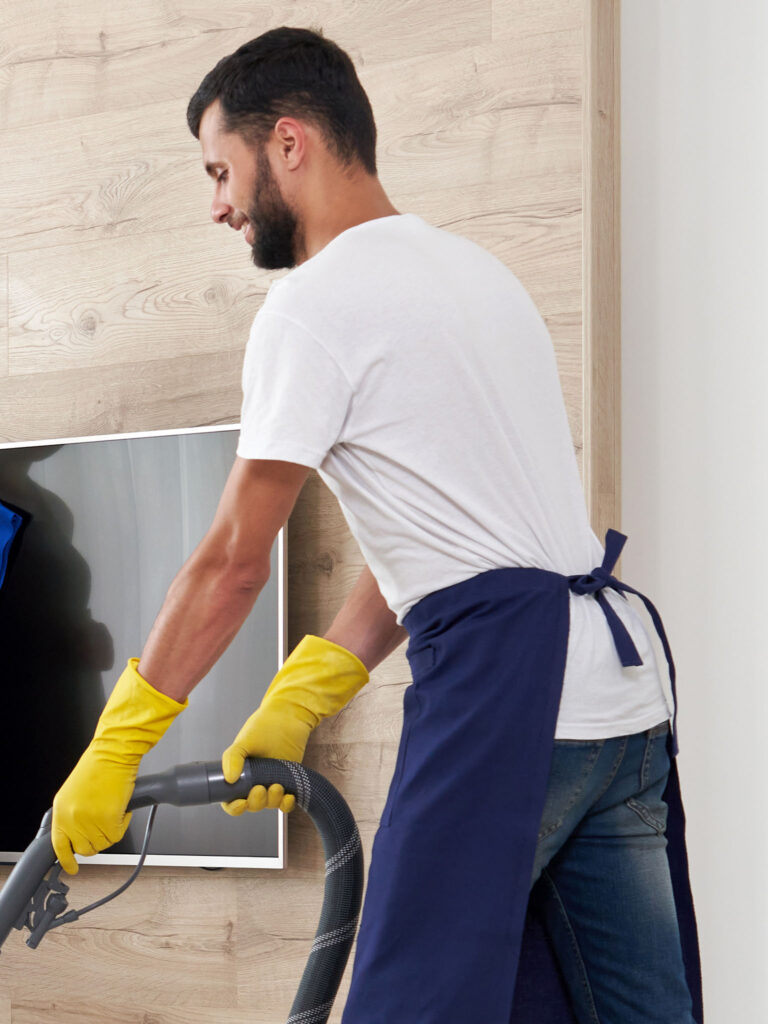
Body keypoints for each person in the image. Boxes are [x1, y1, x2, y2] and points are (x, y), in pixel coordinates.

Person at [51, 26, 703, 1024]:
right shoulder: (477, 275)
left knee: (411, 1004)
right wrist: (312, 688)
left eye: (220, 170)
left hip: (509, 703)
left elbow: (232, 560)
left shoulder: (313, 308)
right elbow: (465, 539)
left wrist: (117, 742)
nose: (217, 204)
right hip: (621, 709)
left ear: (290, 143)